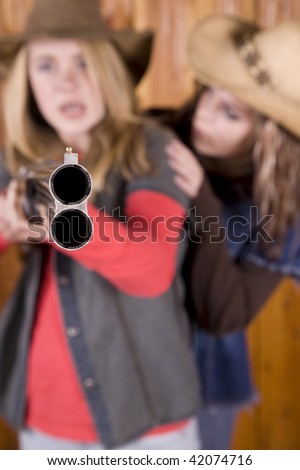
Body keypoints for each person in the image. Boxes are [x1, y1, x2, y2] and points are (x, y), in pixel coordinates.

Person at [0, 0, 202, 450]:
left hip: (148, 421)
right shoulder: (18, 159)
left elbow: (152, 268)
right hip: (42, 416)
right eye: (46, 65)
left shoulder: (149, 147)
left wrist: (70, 224)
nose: (67, 81)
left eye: (83, 61)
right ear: (27, 83)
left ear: (109, 71)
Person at [163, 14, 300, 449]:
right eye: (209, 95)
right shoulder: (163, 136)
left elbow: (224, 317)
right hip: (126, 369)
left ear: (269, 135)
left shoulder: (283, 211)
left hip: (203, 389)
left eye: (230, 112)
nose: (203, 114)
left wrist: (200, 199)